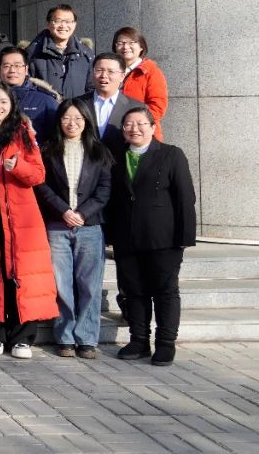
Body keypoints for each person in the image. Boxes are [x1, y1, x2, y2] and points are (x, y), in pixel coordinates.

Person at [0, 83, 57, 359]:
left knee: (22, 275)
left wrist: (18, 167)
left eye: (3, 102)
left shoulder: (23, 133)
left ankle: (22, 337)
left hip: (21, 219)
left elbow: (38, 175)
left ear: (12, 105)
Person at [107, 107, 196, 366]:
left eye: (140, 124)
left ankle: (165, 343)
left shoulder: (171, 154)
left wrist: (185, 236)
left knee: (165, 291)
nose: (134, 129)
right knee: (134, 291)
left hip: (163, 238)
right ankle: (139, 340)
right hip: (127, 237)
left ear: (153, 127)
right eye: (128, 124)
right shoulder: (115, 156)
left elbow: (185, 197)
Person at [36, 98, 112, 360]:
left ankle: (87, 338)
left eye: (78, 118)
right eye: (67, 118)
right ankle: (65, 336)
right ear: (59, 121)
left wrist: (82, 213)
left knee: (89, 285)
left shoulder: (99, 152)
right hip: (57, 225)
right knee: (62, 284)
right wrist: (64, 211)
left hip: (89, 226)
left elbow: (104, 190)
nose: (72, 123)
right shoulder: (48, 150)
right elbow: (42, 186)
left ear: (87, 121)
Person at [26, 5, 94, 99]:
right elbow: (26, 87)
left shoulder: (86, 54)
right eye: (58, 21)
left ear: (74, 24)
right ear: (48, 24)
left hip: (76, 107)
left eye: (68, 21)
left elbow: (91, 88)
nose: (63, 25)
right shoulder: (32, 53)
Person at [86, 53, 146, 157]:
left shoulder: (136, 107)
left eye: (111, 71)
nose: (104, 76)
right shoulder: (78, 104)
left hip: (121, 164)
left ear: (122, 76)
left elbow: (143, 143)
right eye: (99, 70)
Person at [113, 26, 168, 139]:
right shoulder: (111, 71)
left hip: (142, 134)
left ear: (141, 47)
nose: (125, 47)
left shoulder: (151, 72)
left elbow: (157, 107)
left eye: (131, 42)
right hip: (114, 132)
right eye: (121, 43)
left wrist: (133, 123)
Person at [0, 46, 59, 141]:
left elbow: (57, 138)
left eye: (17, 65)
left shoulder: (46, 101)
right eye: (6, 66)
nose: (12, 70)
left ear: (26, 70)